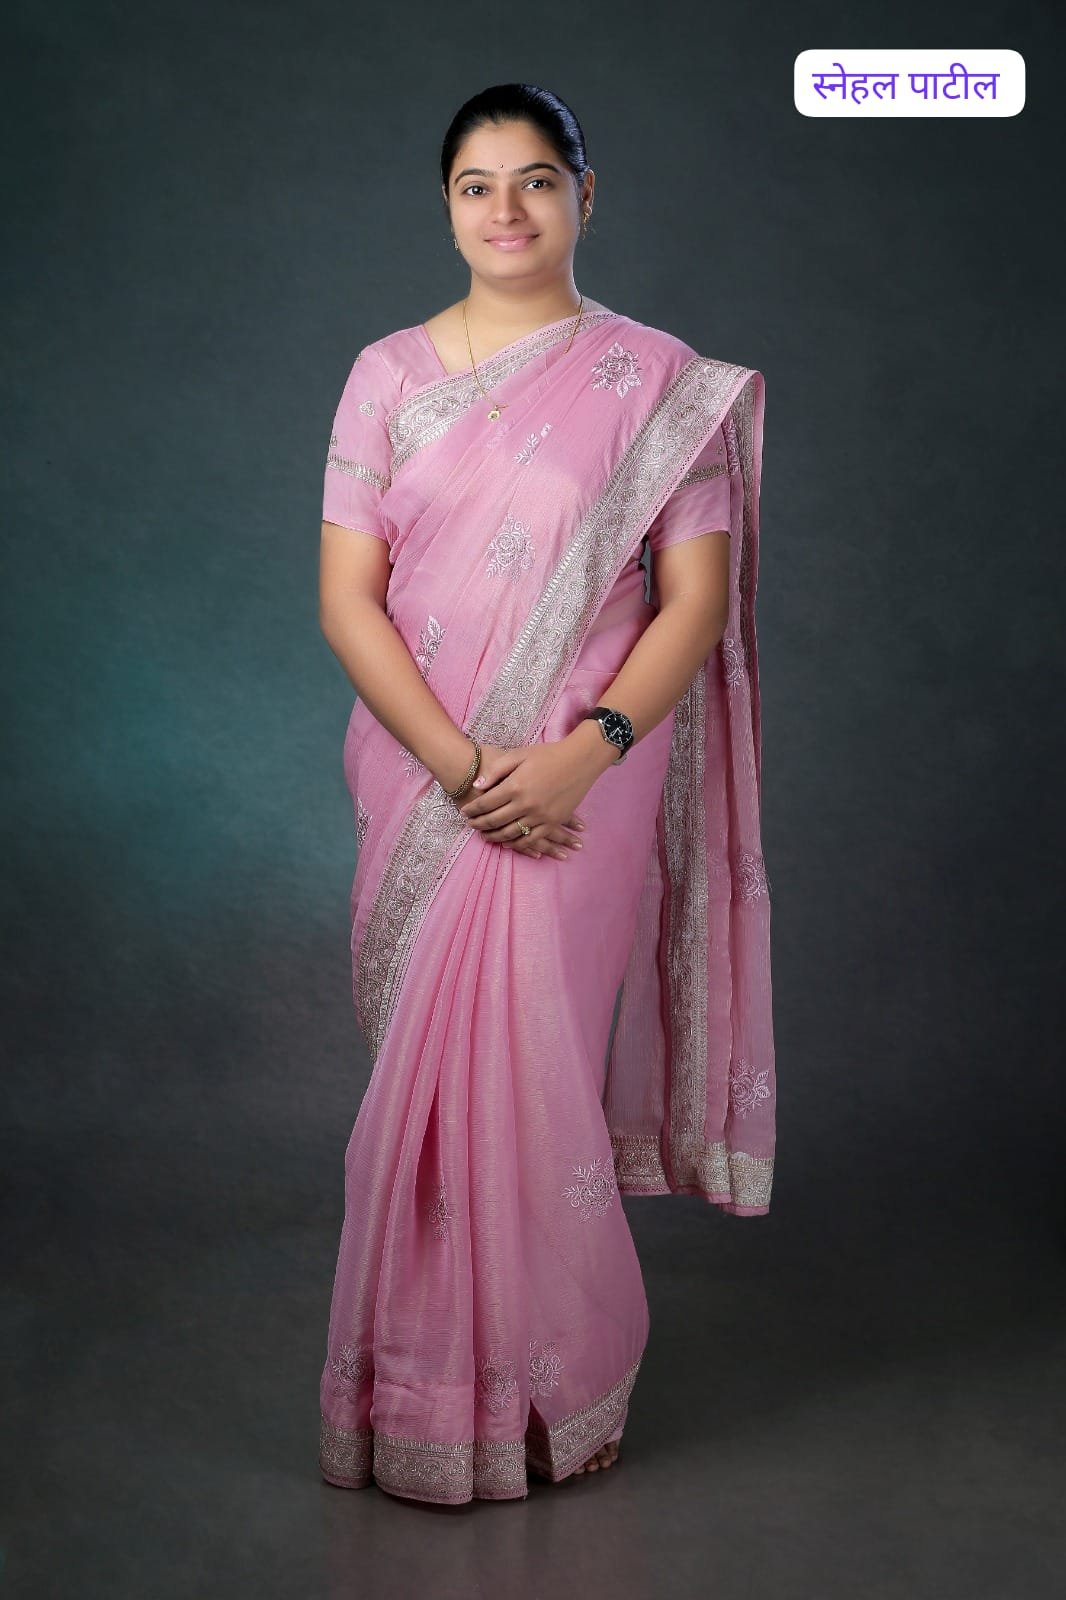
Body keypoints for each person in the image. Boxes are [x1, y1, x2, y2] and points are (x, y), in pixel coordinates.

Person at [316, 82, 775, 1507]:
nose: (505, 210)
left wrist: (585, 748)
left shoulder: (658, 380)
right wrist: (462, 770)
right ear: (444, 205)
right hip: (427, 773)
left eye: (534, 180)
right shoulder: (388, 374)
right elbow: (348, 599)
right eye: (476, 185)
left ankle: (548, 1387)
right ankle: (417, 1399)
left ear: (586, 195)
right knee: (431, 1089)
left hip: (586, 782)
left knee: (531, 1072)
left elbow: (692, 602)